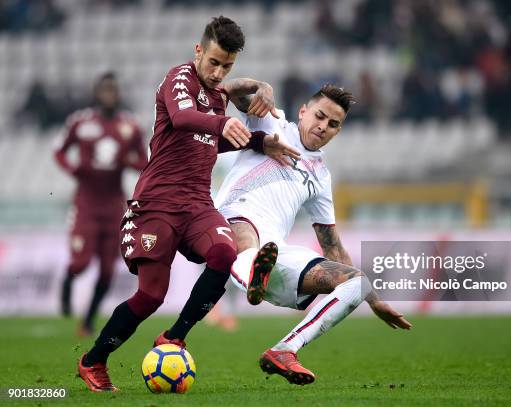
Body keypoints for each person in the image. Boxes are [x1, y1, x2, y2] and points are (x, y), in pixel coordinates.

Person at [77, 16, 299, 392]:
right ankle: (93, 360)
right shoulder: (178, 77)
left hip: (197, 203)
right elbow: (182, 119)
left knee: (224, 254)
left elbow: (215, 138)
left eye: (227, 66)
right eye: (213, 62)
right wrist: (222, 121)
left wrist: (262, 143)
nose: (218, 72)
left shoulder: (216, 97)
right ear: (199, 51)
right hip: (157, 203)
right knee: (150, 294)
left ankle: (174, 337)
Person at [213, 84, 412, 385]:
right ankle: (253, 269)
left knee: (357, 283)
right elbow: (229, 90)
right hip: (232, 219)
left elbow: (332, 247)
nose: (323, 127)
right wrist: (260, 87)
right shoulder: (273, 123)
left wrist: (372, 299)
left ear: (339, 130)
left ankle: (284, 350)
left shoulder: (320, 177)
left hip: (274, 252)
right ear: (303, 111)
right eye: (319, 116)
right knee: (247, 242)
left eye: (333, 124)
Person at [55, 72, 147, 337]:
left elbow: (142, 160)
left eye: (113, 90)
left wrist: (125, 162)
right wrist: (73, 168)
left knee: (107, 271)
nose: (109, 95)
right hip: (86, 203)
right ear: (97, 93)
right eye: (105, 90)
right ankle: (68, 281)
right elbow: (59, 150)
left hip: (113, 205)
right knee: (81, 263)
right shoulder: (81, 121)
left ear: (118, 94)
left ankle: (88, 320)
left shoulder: (129, 126)